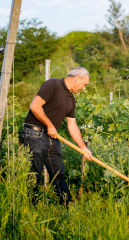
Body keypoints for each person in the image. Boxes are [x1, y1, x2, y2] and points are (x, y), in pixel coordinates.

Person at [21, 66, 92, 205]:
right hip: (34, 133)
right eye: (84, 84)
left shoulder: (71, 100)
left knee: (59, 173)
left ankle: (67, 206)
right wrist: (49, 125)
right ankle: (30, 208)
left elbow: (72, 125)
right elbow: (35, 106)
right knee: (33, 174)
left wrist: (83, 147)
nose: (84, 88)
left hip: (52, 137)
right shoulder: (53, 84)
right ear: (77, 78)